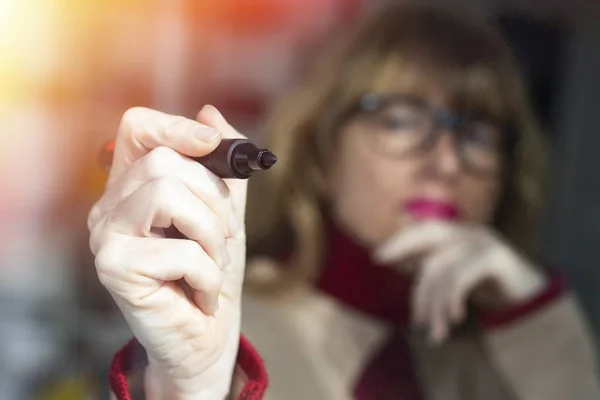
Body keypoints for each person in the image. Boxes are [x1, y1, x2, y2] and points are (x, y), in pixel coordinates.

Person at [88, 3, 600, 399]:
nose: (445, 162)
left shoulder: (524, 352)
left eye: (476, 133)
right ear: (323, 152)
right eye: (401, 120)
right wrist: (193, 387)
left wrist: (538, 321)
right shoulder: (223, 326)